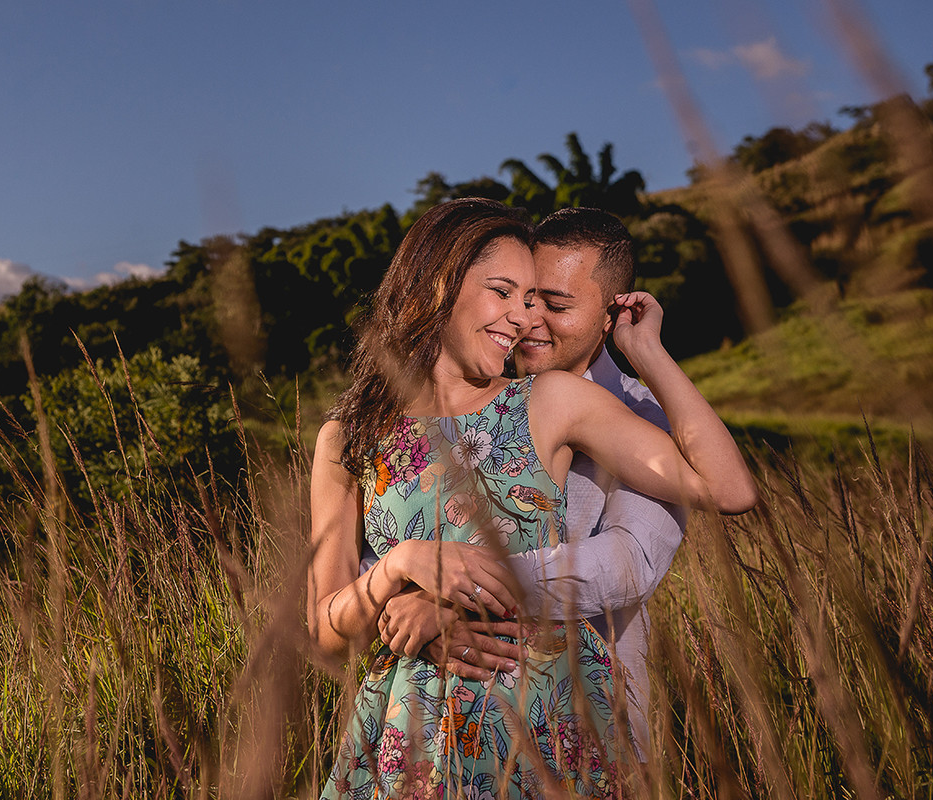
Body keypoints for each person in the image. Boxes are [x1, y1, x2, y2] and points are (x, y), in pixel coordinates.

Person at [308, 198, 756, 798]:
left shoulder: (550, 401)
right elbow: (324, 633)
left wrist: (648, 352)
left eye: (535, 300)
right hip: (407, 736)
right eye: (506, 293)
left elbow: (727, 490)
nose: (523, 319)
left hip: (544, 724)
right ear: (440, 282)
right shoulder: (346, 437)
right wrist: (398, 566)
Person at [375, 207, 685, 761]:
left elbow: (630, 560)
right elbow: (390, 542)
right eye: (521, 296)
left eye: (555, 304)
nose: (528, 318)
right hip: (436, 723)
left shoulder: (644, 412)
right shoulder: (480, 403)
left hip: (587, 721)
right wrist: (407, 589)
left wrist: (460, 599)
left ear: (612, 312)